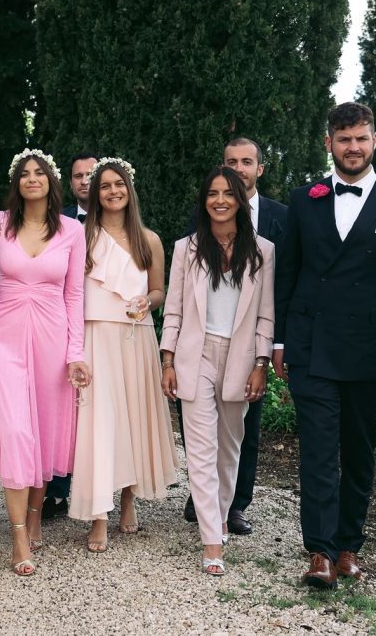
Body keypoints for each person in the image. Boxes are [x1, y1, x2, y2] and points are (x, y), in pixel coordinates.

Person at [274, 102, 376, 589]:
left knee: (359, 451)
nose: (353, 147)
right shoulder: (305, 199)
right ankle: (318, 550)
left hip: (369, 348)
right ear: (329, 143)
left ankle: (348, 546)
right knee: (318, 449)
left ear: (374, 141)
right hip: (312, 345)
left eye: (361, 138)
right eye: (344, 139)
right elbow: (288, 274)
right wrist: (278, 340)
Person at [161, 166, 275, 576]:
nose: (220, 200)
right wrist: (168, 359)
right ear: (204, 200)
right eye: (213, 193)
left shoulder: (263, 251)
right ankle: (212, 539)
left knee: (230, 449)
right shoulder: (186, 249)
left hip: (241, 358)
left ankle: (223, 514)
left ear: (240, 201)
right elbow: (172, 309)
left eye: (228, 193)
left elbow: (265, 317)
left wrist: (261, 364)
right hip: (197, 355)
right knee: (202, 451)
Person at [0, 149, 89, 576]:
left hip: (52, 336)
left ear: (50, 181)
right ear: (16, 182)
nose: (31, 179)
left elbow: (75, 294)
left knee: (43, 431)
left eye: (38, 173)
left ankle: (35, 513)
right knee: (15, 431)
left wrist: (75, 351)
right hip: (3, 336)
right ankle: (18, 536)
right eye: (24, 173)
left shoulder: (72, 231)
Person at [181, 138, 290, 535]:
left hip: (249, 349)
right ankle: (209, 515)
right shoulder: (196, 234)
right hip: (202, 347)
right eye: (231, 162)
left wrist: (268, 354)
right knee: (201, 436)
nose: (239, 168)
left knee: (241, 435)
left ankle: (234, 507)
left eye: (247, 162)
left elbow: (280, 293)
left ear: (259, 168)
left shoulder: (279, 223)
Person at [69, 158, 178, 552]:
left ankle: (129, 499)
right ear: (94, 194)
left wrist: (147, 301)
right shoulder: (79, 236)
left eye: (119, 184)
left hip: (135, 336)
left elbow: (159, 291)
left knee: (132, 417)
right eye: (104, 186)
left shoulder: (148, 239)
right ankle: (99, 513)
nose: (113, 191)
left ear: (129, 190)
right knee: (98, 422)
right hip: (95, 334)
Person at [44, 151, 100, 520]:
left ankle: (95, 488)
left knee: (95, 412)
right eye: (77, 175)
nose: (84, 181)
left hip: (105, 326)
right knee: (60, 405)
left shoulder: (121, 221)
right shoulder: (57, 224)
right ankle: (57, 490)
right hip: (62, 324)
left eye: (90, 174)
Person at [61, 152, 101, 222]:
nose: (84, 182)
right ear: (71, 183)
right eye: (78, 176)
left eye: (90, 175)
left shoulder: (117, 216)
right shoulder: (59, 218)